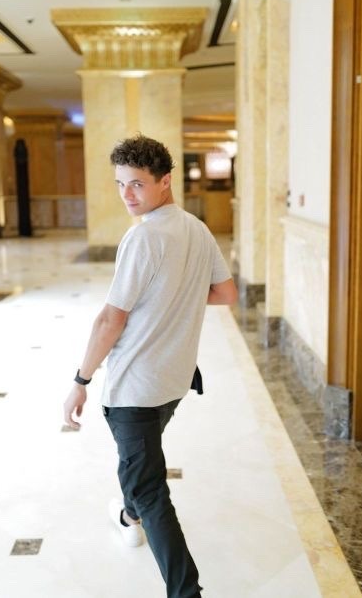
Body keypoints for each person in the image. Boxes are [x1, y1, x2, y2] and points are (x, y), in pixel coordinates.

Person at [63, 134, 238, 598]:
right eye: (120, 183)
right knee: (139, 465)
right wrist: (176, 298)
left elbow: (110, 319)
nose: (127, 194)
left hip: (135, 390)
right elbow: (226, 293)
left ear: (165, 181)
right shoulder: (197, 229)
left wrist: (80, 380)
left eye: (137, 183)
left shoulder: (143, 237)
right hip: (174, 381)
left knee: (151, 490)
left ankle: (185, 592)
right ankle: (128, 515)